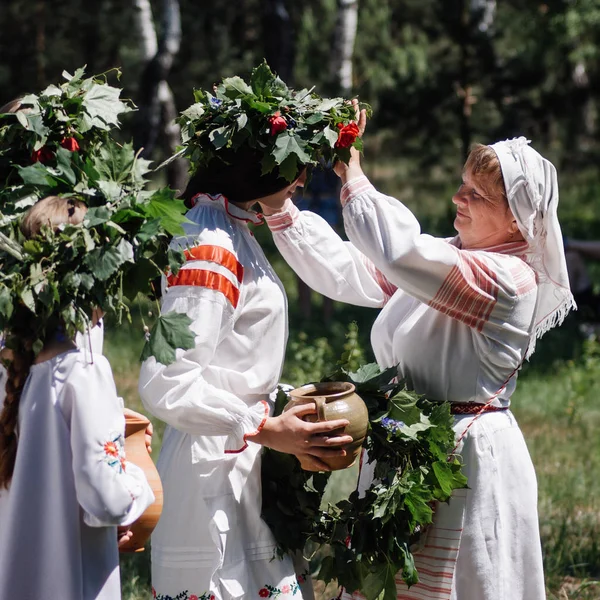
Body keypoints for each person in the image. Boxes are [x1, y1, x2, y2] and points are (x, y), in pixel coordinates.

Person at [261, 104, 574, 600]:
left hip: (465, 458)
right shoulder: (456, 256)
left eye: (476, 193)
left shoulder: (508, 280)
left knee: (459, 580)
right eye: (462, 184)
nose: (458, 197)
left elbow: (400, 252)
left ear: (518, 220)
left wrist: (355, 174)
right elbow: (354, 270)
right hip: (413, 442)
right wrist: (280, 211)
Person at [138, 151, 354, 598]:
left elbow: (232, 358)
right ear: (262, 163)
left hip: (242, 460)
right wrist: (266, 427)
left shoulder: (229, 227)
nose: (302, 180)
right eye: (296, 165)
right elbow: (168, 378)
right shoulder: (210, 243)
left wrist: (289, 409)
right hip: (212, 470)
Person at [0, 196, 156, 600]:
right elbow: (106, 497)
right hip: (72, 580)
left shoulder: (11, 365)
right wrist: (138, 476)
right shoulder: (84, 372)